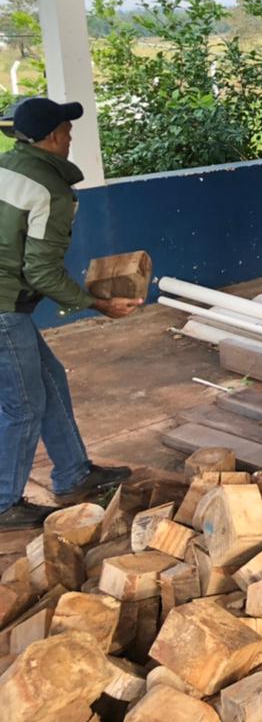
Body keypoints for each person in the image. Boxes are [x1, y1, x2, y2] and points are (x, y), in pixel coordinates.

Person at [0, 98, 139, 531]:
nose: (71, 135)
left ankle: (74, 472)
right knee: (23, 406)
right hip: (3, 308)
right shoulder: (50, 190)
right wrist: (97, 303)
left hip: (7, 303)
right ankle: (4, 503)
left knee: (50, 380)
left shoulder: (6, 166)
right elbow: (41, 271)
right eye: (67, 129)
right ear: (53, 137)